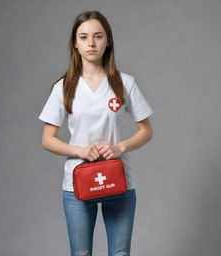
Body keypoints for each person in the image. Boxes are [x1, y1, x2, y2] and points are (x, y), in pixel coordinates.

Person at [38, 10, 154, 256]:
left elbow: (145, 131)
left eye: (98, 36)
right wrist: (79, 150)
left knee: (120, 254)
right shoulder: (64, 88)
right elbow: (47, 139)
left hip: (119, 181)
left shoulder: (124, 83)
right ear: (75, 44)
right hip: (77, 183)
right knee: (81, 254)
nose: (91, 43)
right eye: (83, 37)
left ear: (108, 40)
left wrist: (119, 147)